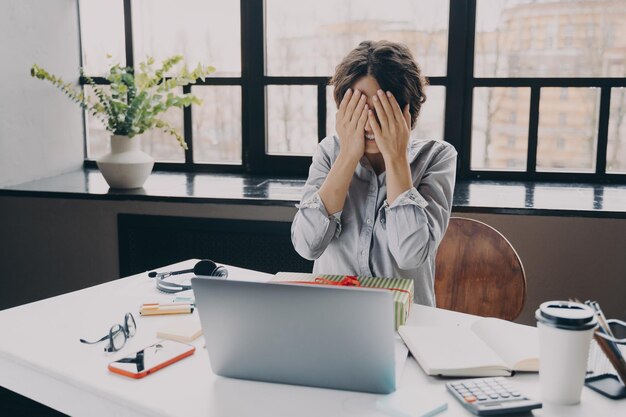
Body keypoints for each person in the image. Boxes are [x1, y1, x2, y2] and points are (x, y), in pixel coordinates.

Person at [291, 40, 457, 306]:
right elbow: (307, 246)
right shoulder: (328, 152)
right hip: (333, 315)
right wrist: (347, 156)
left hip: (405, 324)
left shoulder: (436, 157)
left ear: (406, 110)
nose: (369, 123)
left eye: (381, 109)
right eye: (358, 108)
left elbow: (410, 254)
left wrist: (396, 157)